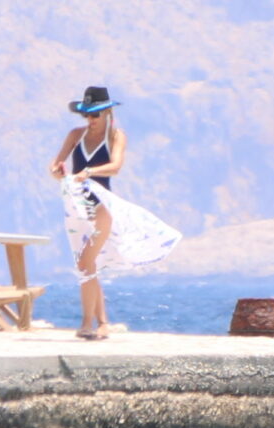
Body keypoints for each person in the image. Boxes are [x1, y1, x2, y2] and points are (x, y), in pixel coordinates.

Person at [50, 86, 181, 340]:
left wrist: (88, 172)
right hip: (77, 207)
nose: (90, 120)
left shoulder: (115, 137)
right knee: (90, 265)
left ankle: (87, 323)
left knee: (84, 263)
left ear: (107, 113)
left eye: (95, 115)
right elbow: (55, 166)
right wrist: (58, 172)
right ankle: (103, 324)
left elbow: (115, 166)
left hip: (101, 206)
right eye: (86, 115)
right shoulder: (75, 135)